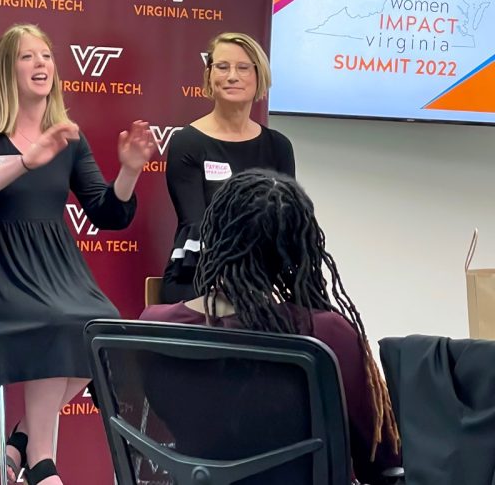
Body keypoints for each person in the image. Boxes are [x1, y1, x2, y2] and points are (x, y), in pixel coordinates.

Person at [0, 23, 155, 485]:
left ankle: (20, 439)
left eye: (46, 55)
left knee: (102, 328)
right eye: (27, 57)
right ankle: (43, 465)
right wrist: (24, 161)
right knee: (56, 325)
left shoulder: (68, 137)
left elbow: (107, 211)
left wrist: (129, 172)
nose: (41, 64)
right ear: (5, 69)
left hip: (56, 269)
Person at [141, 169, 400, 484]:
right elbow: (381, 457)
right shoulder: (326, 334)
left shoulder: (156, 326)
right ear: (299, 250)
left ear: (215, 238)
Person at [161, 32, 295, 303]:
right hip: (197, 276)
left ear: (260, 77)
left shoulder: (278, 147)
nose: (232, 76)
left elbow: (286, 225)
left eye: (243, 68)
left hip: (263, 280)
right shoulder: (187, 142)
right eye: (222, 67)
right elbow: (196, 224)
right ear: (210, 76)